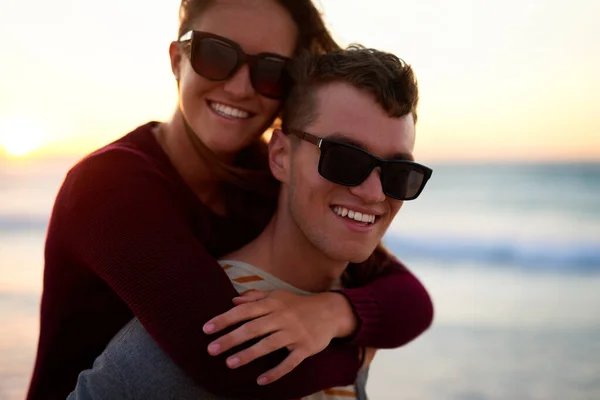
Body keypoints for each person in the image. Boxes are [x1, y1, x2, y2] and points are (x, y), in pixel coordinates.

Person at [27, 1, 434, 399]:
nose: (240, 87)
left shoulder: (264, 181)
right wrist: (358, 352)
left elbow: (406, 293)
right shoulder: (108, 186)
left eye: (271, 71)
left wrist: (333, 313)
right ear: (176, 60)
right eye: (215, 54)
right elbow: (235, 364)